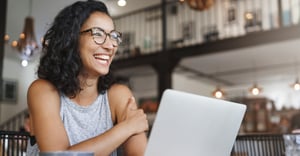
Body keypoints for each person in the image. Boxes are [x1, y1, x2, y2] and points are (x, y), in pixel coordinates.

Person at [26, 1, 149, 156]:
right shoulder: (43, 90)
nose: (110, 45)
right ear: (71, 39)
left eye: (113, 36)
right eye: (98, 34)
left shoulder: (119, 95)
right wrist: (127, 128)